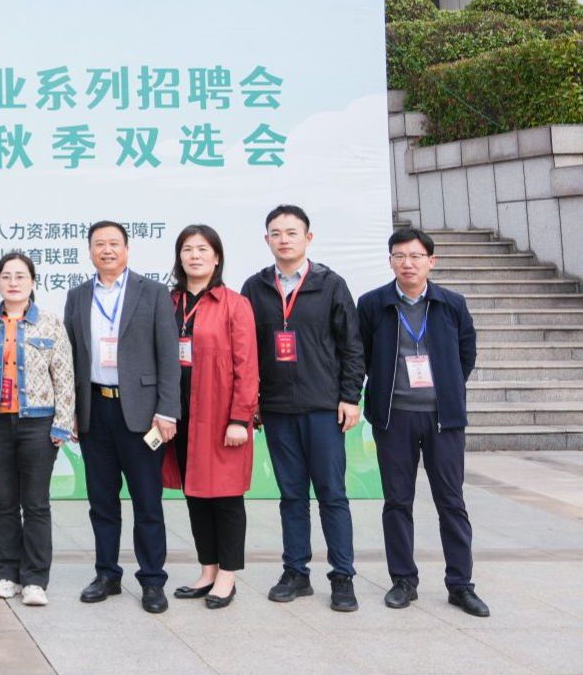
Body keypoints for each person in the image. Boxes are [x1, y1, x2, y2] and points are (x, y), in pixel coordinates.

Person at [358, 227, 489, 617]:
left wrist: (446, 388)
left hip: (442, 419)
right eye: (400, 256)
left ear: (431, 261)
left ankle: (460, 585)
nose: (408, 263)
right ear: (390, 261)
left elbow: (466, 353)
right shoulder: (373, 304)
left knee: (451, 502)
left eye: (415, 256)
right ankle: (403, 580)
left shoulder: (452, 304)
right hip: (394, 417)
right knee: (397, 501)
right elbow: (362, 354)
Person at [242, 204, 364, 611]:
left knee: (332, 494)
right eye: (276, 233)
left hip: (323, 408)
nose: (284, 240)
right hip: (277, 410)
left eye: (292, 232)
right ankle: (296, 572)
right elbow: (246, 351)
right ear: (267, 240)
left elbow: (352, 346)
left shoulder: (330, 285)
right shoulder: (255, 288)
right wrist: (252, 402)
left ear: (308, 238)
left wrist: (350, 397)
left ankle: (343, 576)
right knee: (291, 495)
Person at [64, 220, 180, 614]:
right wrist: (72, 412)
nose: (107, 250)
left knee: (147, 502)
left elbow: (168, 357)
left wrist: (167, 411)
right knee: (102, 501)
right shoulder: (78, 296)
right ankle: (107, 574)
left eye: (114, 243)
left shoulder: (154, 292)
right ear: (90, 251)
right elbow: (70, 359)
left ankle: (152, 580)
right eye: (99, 244)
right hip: (95, 410)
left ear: (127, 249)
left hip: (143, 414)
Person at [0, 251, 75, 608]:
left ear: (32, 282)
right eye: (6, 276)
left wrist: (62, 424)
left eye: (20, 276)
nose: (13, 282)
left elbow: (65, 376)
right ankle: (8, 574)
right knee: (5, 502)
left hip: (38, 424)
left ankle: (36, 580)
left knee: (36, 503)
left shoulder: (51, 324)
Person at [163, 226, 258, 610]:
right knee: (195, 494)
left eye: (203, 249)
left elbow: (247, 366)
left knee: (226, 497)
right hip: (180, 416)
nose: (195, 256)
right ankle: (207, 570)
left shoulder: (234, 304)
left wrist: (240, 418)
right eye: (187, 249)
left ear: (217, 257)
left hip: (221, 417)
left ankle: (227, 576)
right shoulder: (168, 302)